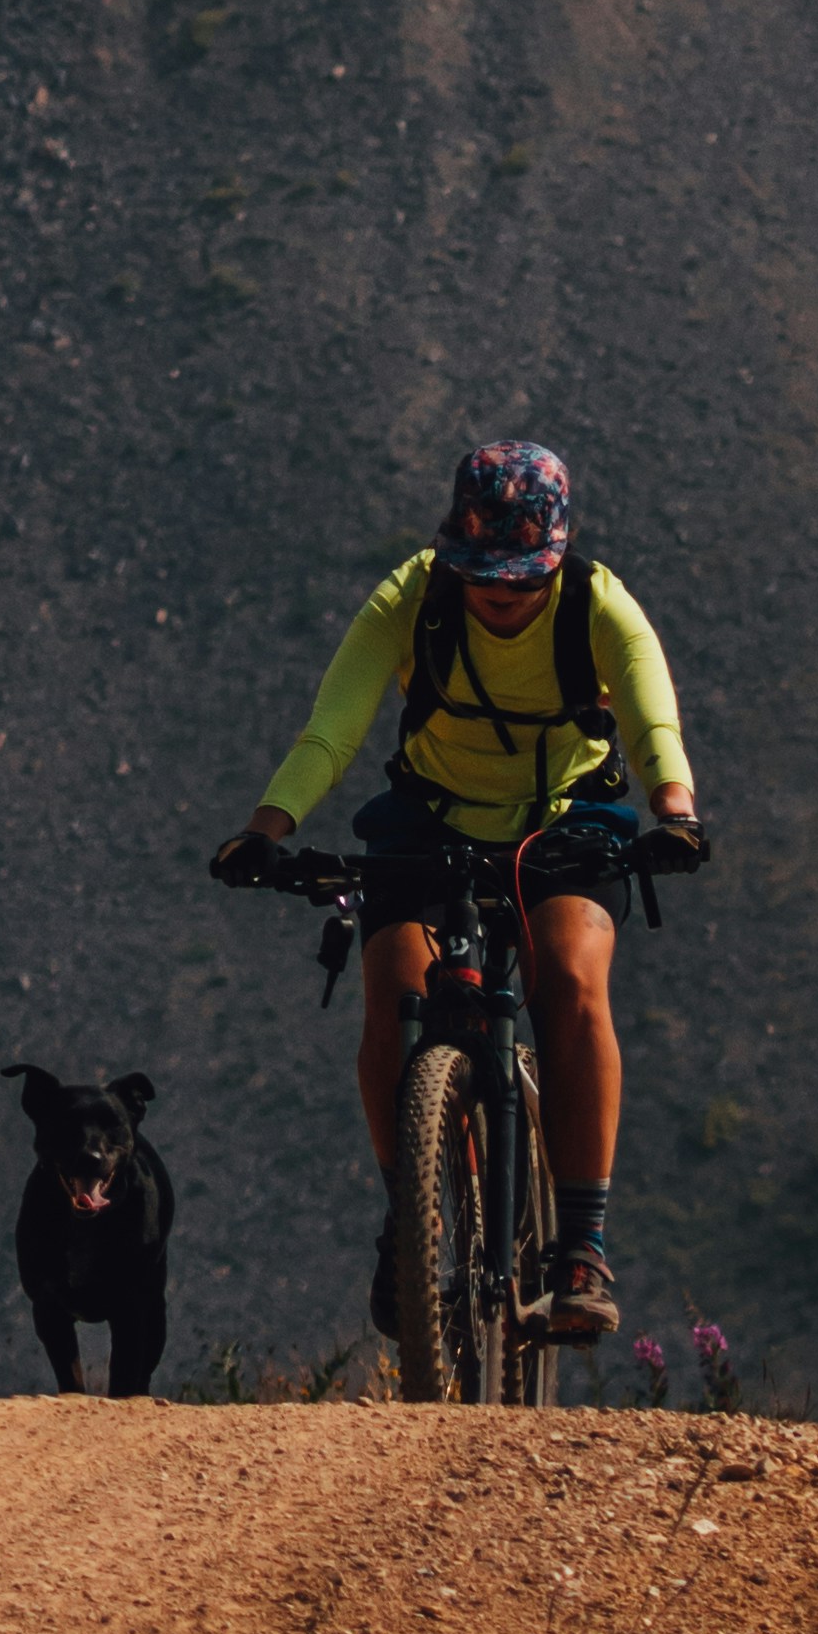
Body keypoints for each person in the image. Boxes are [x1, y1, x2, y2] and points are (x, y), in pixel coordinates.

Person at [218, 432, 702, 1355]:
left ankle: (582, 1250)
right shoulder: (412, 601)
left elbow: (650, 715)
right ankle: (412, 1222)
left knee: (569, 975)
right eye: (484, 573)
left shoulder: (597, 603)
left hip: (565, 821)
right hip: (430, 818)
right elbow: (333, 729)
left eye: (521, 578)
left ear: (554, 561)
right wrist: (266, 830)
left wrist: (675, 811)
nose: (500, 592)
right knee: (397, 990)